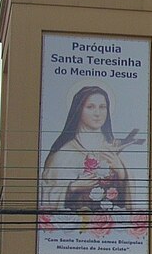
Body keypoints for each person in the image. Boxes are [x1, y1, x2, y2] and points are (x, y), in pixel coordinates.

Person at [39, 84, 141, 217]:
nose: (98, 113)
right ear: (79, 110)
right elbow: (46, 193)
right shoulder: (63, 153)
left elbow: (132, 199)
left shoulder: (116, 149)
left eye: (102, 107)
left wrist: (121, 172)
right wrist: (72, 187)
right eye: (90, 107)